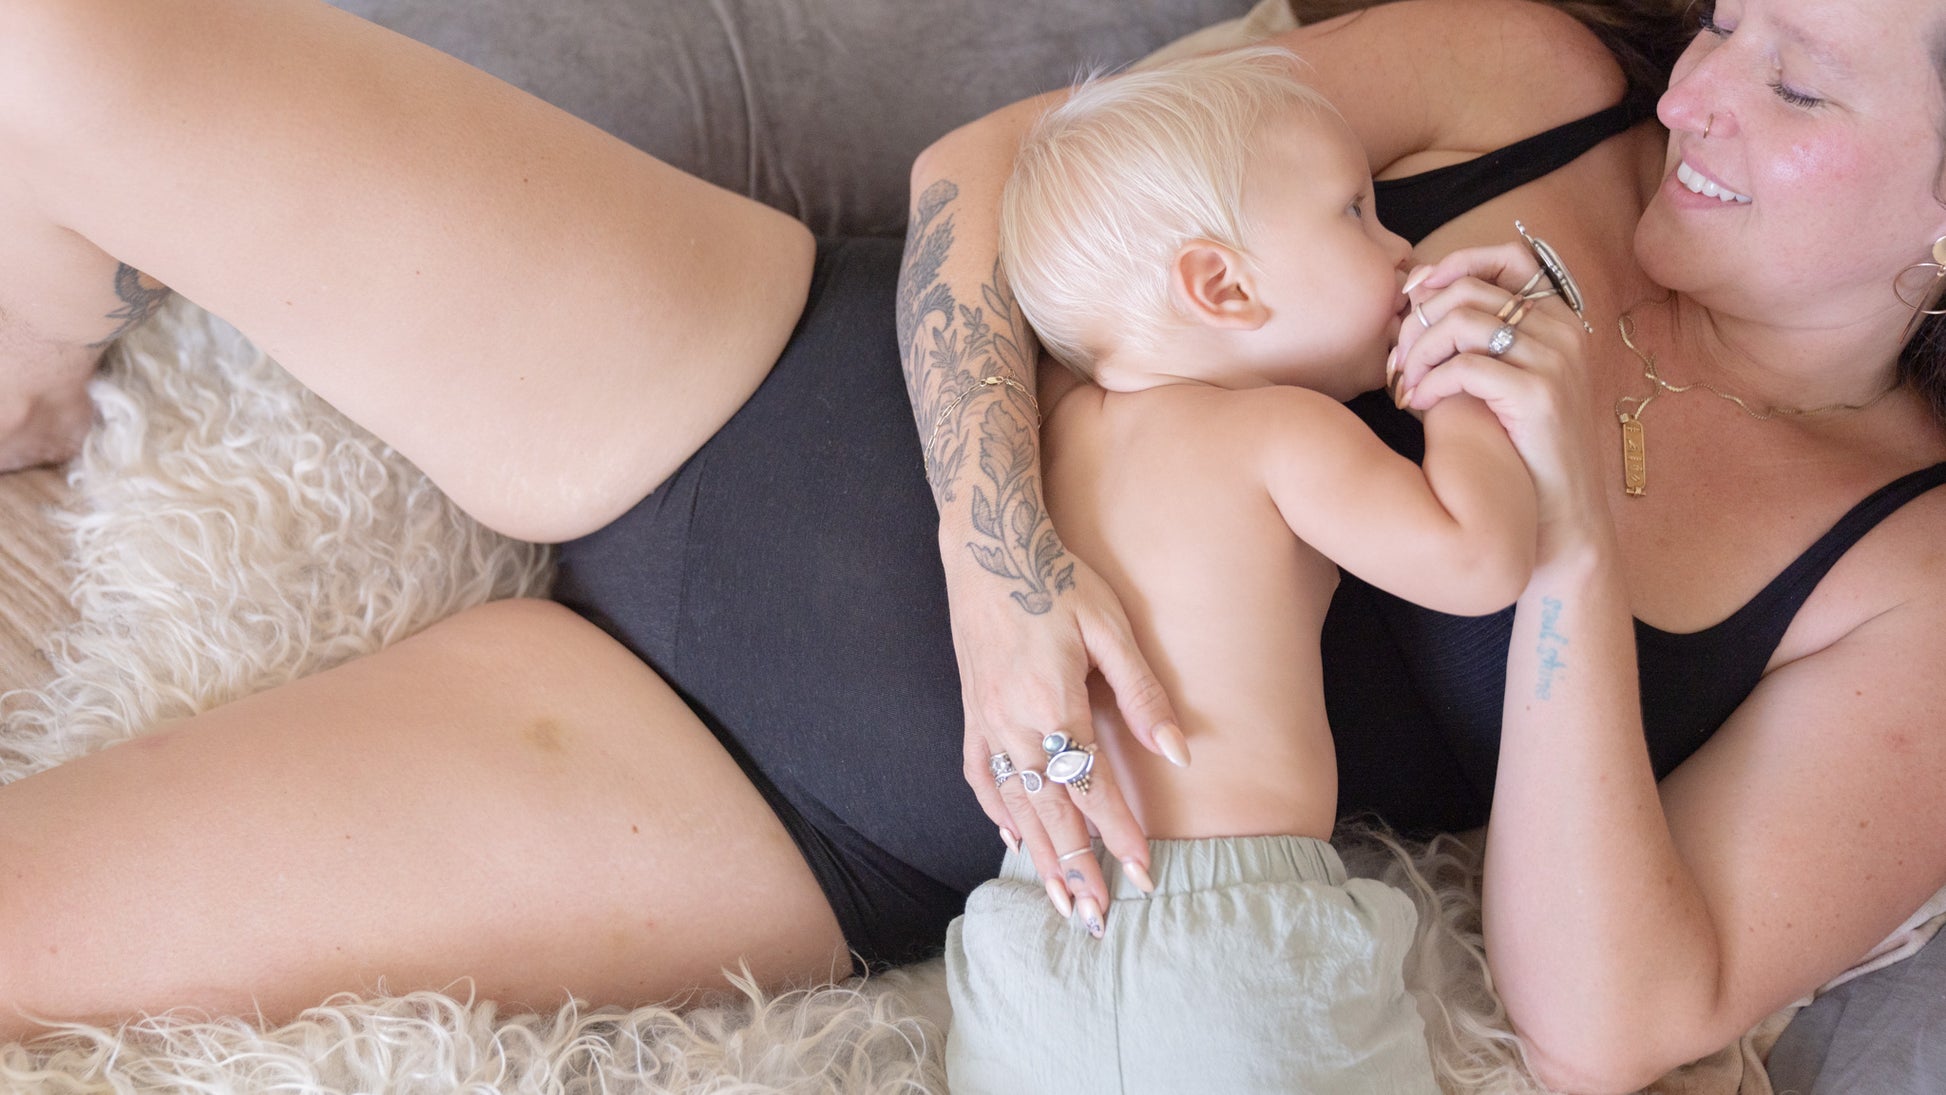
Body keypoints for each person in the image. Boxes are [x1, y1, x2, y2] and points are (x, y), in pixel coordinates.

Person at [0, 0, 1940, 1090]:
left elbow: (1619, 1016)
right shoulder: (1532, 77)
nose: (1696, 82)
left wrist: (1570, 554)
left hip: (775, 795)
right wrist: (1000, 577)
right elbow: (994, 167)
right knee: (55, 50)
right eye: (1728, 14)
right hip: (745, 361)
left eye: (1795, 79)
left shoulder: (1901, 583)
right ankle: (28, 382)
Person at [942, 47, 1534, 1094]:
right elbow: (1480, 560)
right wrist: (1457, 374)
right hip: (1241, 949)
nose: (1399, 246)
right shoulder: (1277, 432)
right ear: (1220, 284)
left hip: (1039, 915)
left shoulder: (1051, 432)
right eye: (1355, 211)